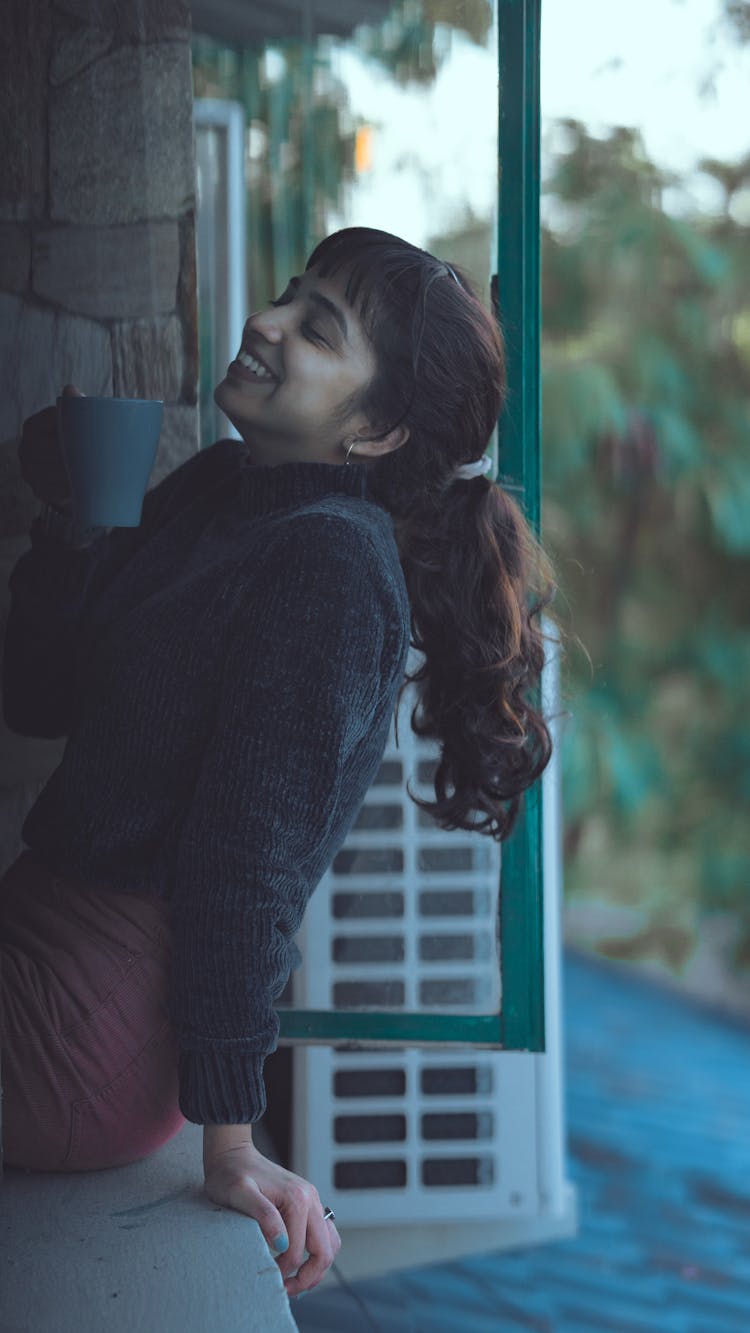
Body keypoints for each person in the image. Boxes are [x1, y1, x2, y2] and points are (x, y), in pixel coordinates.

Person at [1, 227, 555, 1297]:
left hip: (88, 1023)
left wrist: (230, 1136)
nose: (266, 323)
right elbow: (38, 698)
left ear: (379, 427)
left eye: (316, 329)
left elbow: (247, 863)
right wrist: (72, 522)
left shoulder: (334, 570)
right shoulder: (220, 488)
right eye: (289, 297)